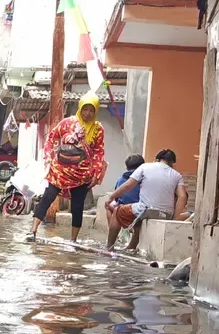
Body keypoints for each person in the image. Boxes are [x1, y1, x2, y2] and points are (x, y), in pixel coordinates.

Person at [27, 93, 106, 244]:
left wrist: (96, 173)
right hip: (60, 170)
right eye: (85, 109)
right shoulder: (67, 123)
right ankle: (33, 230)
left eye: (91, 110)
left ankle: (73, 240)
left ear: (96, 111)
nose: (88, 113)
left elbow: (98, 152)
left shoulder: (98, 130)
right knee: (47, 197)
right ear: (80, 108)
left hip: (82, 175)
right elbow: (51, 138)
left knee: (77, 206)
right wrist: (49, 158)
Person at [105, 149, 188, 252]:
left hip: (146, 209)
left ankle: (109, 247)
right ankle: (131, 247)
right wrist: (175, 218)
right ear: (172, 162)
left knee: (117, 211)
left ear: (157, 159)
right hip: (166, 213)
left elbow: (127, 186)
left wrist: (111, 197)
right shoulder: (177, 175)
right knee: (138, 220)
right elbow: (182, 197)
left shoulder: (145, 167)